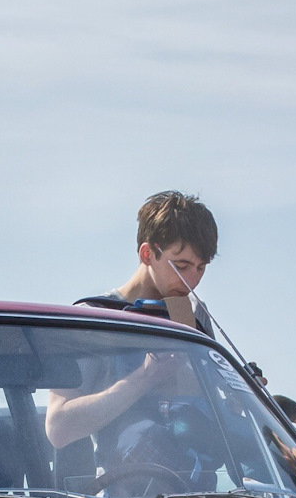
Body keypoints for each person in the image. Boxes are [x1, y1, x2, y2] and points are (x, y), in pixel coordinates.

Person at [47, 192, 219, 453]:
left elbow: (214, 414)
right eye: (182, 266)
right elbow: (59, 428)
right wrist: (145, 377)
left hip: (201, 487)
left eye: (201, 268)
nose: (192, 281)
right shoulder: (92, 317)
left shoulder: (193, 316)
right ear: (148, 253)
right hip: (122, 488)